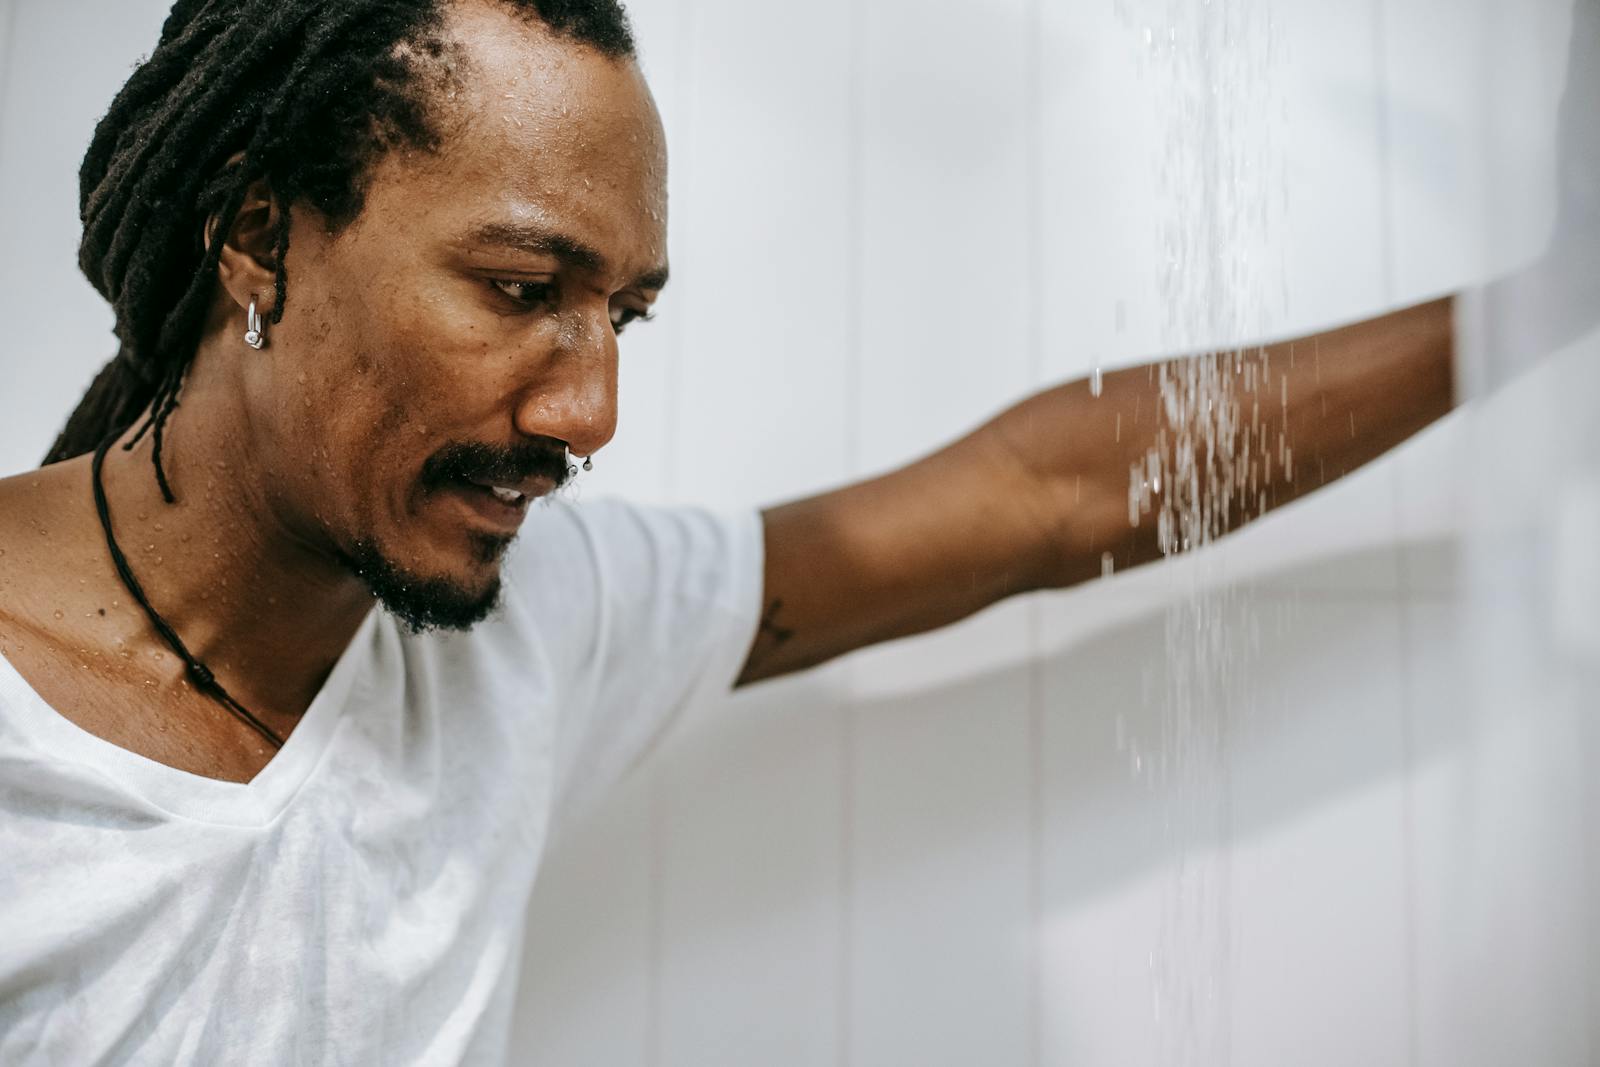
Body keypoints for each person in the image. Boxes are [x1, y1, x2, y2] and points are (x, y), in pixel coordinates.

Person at [0, 0, 1588, 1062]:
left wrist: (1546, 304)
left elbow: (1041, 498)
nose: (590, 412)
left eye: (623, 314)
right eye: (521, 291)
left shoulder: (545, 626)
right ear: (259, 234)